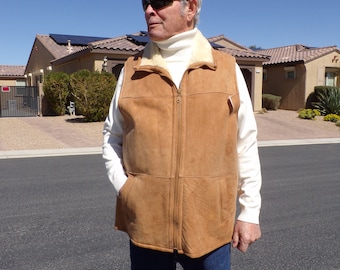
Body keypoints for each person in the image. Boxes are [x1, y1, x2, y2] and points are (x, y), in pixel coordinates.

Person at [102, 0, 262, 269]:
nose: (149, 10)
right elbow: (111, 136)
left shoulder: (225, 69)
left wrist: (250, 212)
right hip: (147, 228)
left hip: (209, 227)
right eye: (145, 2)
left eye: (161, 2)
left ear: (190, 8)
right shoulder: (132, 71)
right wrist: (127, 189)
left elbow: (244, 143)